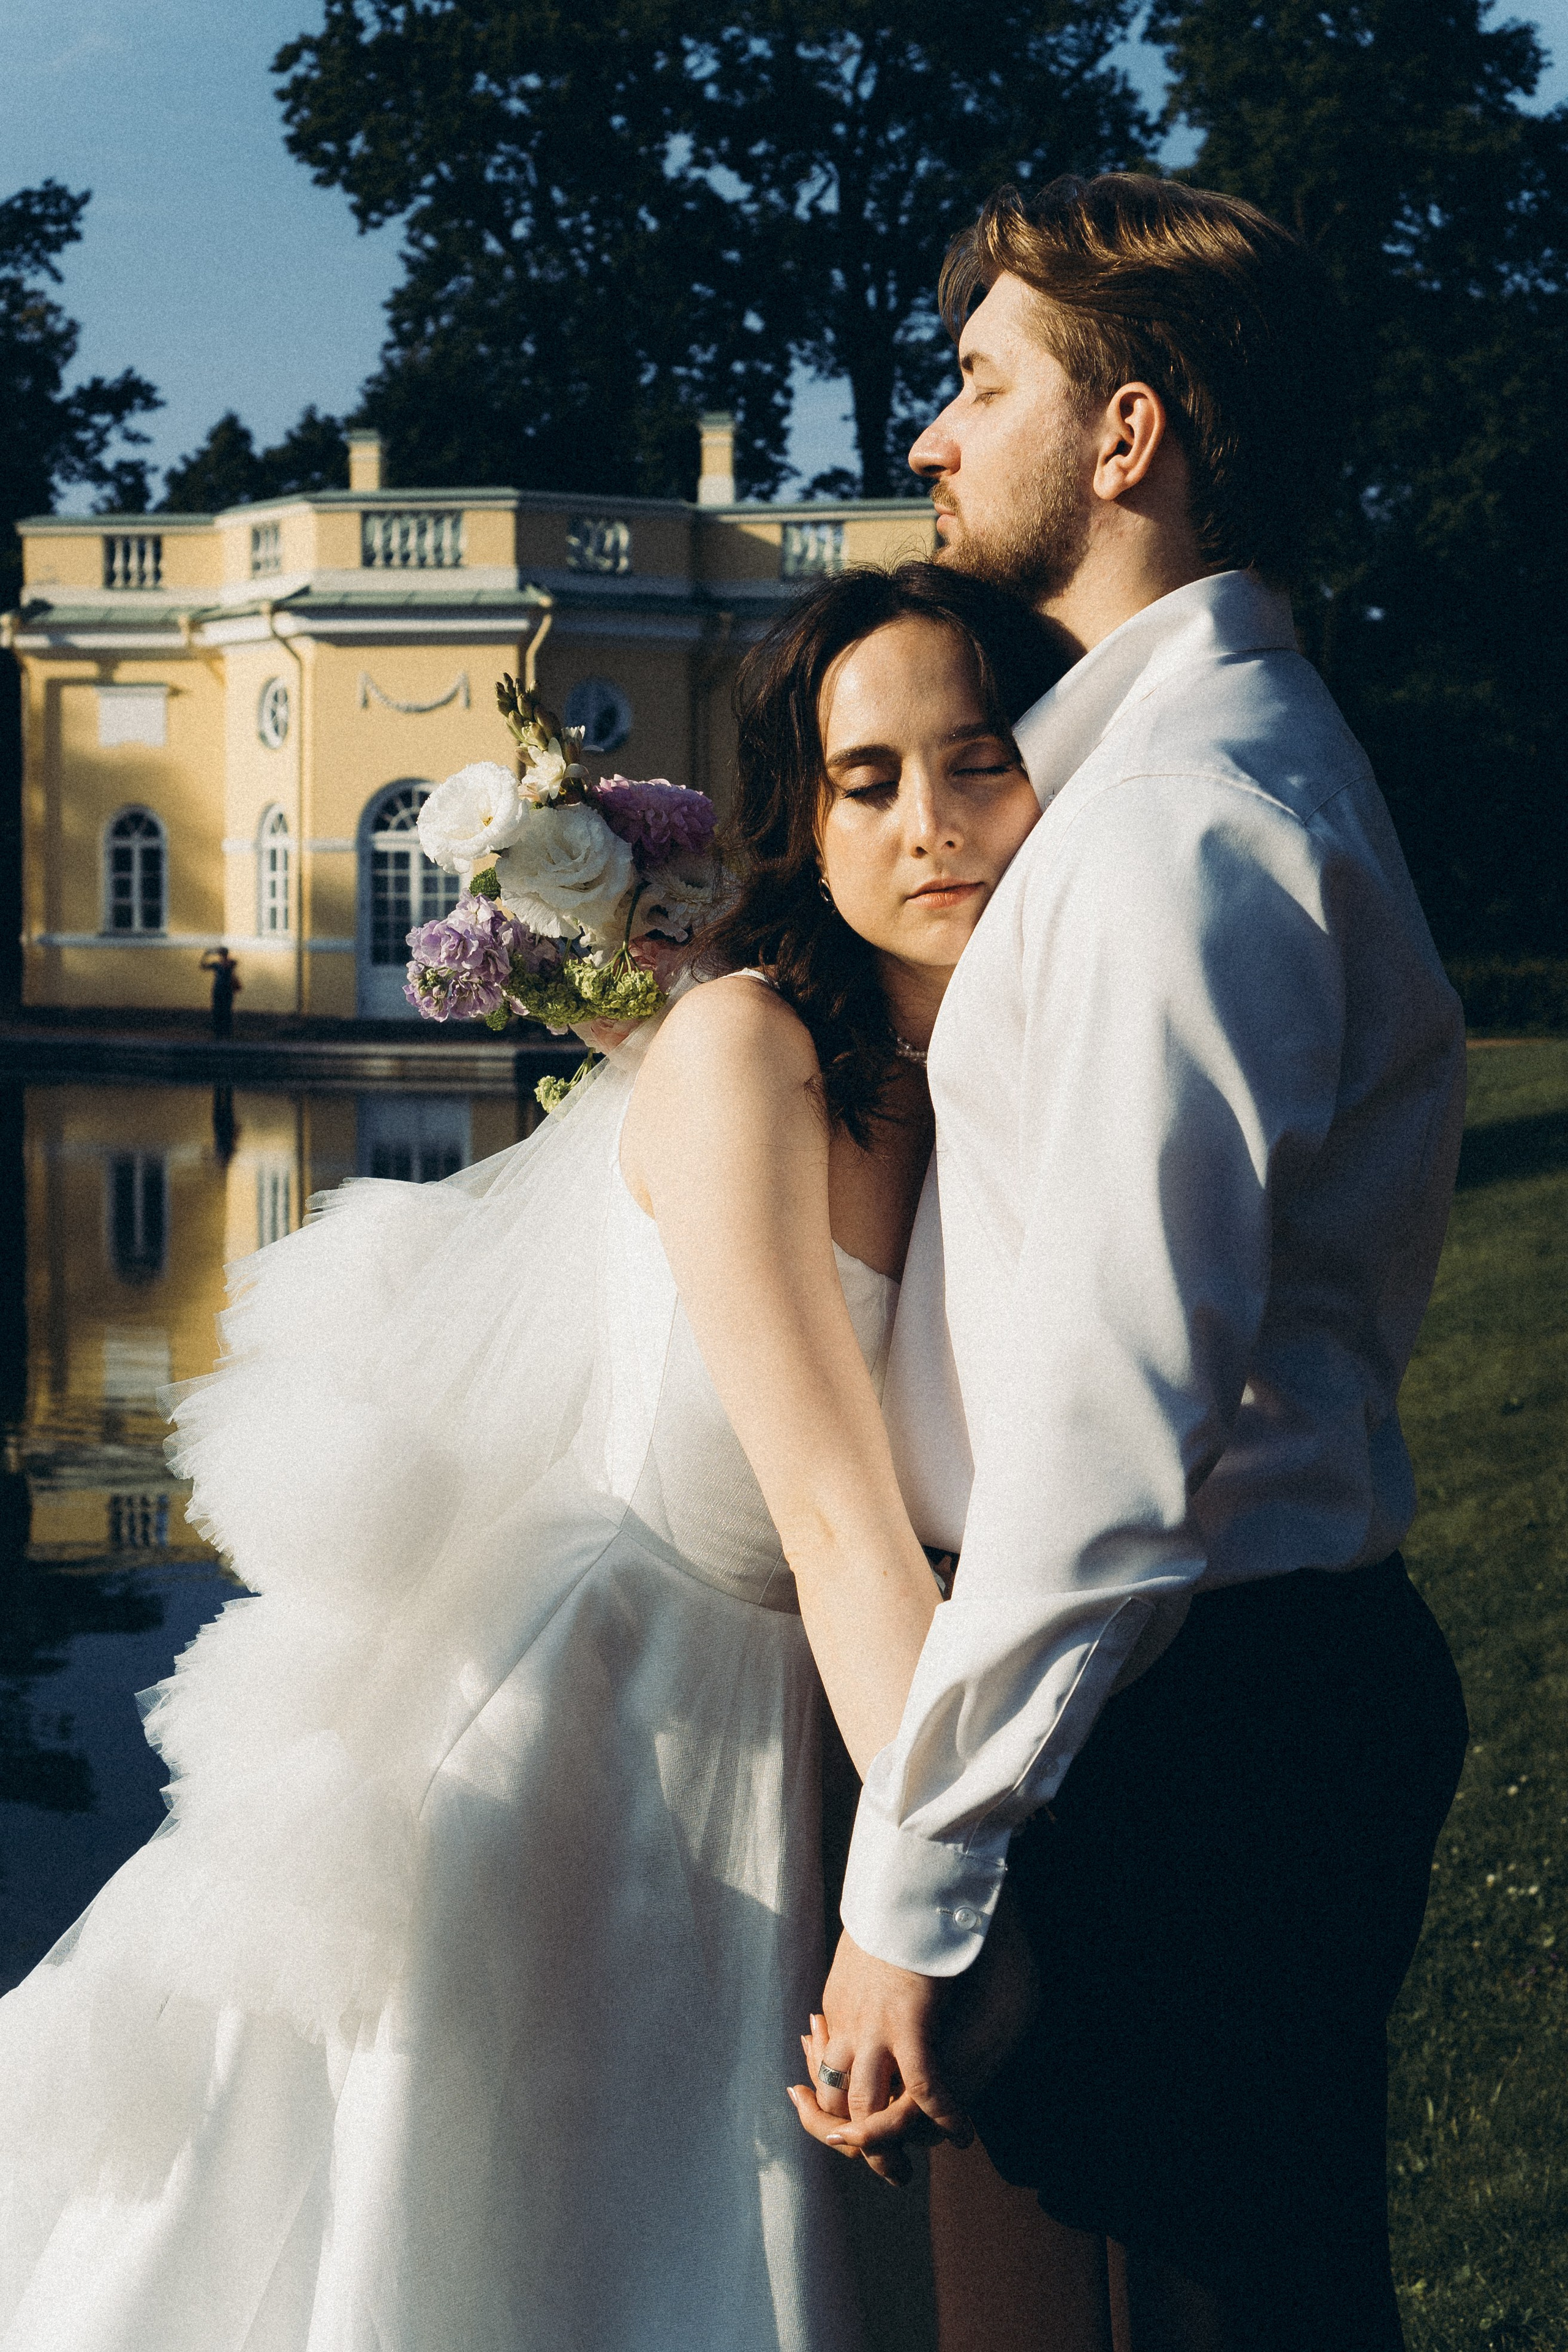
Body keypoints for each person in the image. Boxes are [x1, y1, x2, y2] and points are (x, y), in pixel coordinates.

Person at [0, 564, 1069, 2352]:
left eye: (978, 761)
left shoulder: (987, 1078)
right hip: (596, 1736)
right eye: (866, 779)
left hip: (787, 1712)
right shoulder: (744, 1050)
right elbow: (829, 1513)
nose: (930, 824)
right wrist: (961, 1892)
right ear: (804, 824)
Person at [790, 174, 1470, 2352]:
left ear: (1123, 434)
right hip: (1214, 1697)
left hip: (1173, 1743)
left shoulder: (1180, 825)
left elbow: (1105, 1432)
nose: (927, 436)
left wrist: (916, 1885)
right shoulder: (1185, 777)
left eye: (977, 383)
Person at [200, 944, 242, 1039]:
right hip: (220, 990)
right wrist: (206, 955)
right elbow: (203, 967)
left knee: (225, 1010)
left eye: (221, 953)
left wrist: (208, 955)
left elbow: (231, 965)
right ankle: (220, 1032)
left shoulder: (229, 963)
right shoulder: (218, 964)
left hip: (225, 990)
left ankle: (225, 1031)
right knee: (219, 1010)